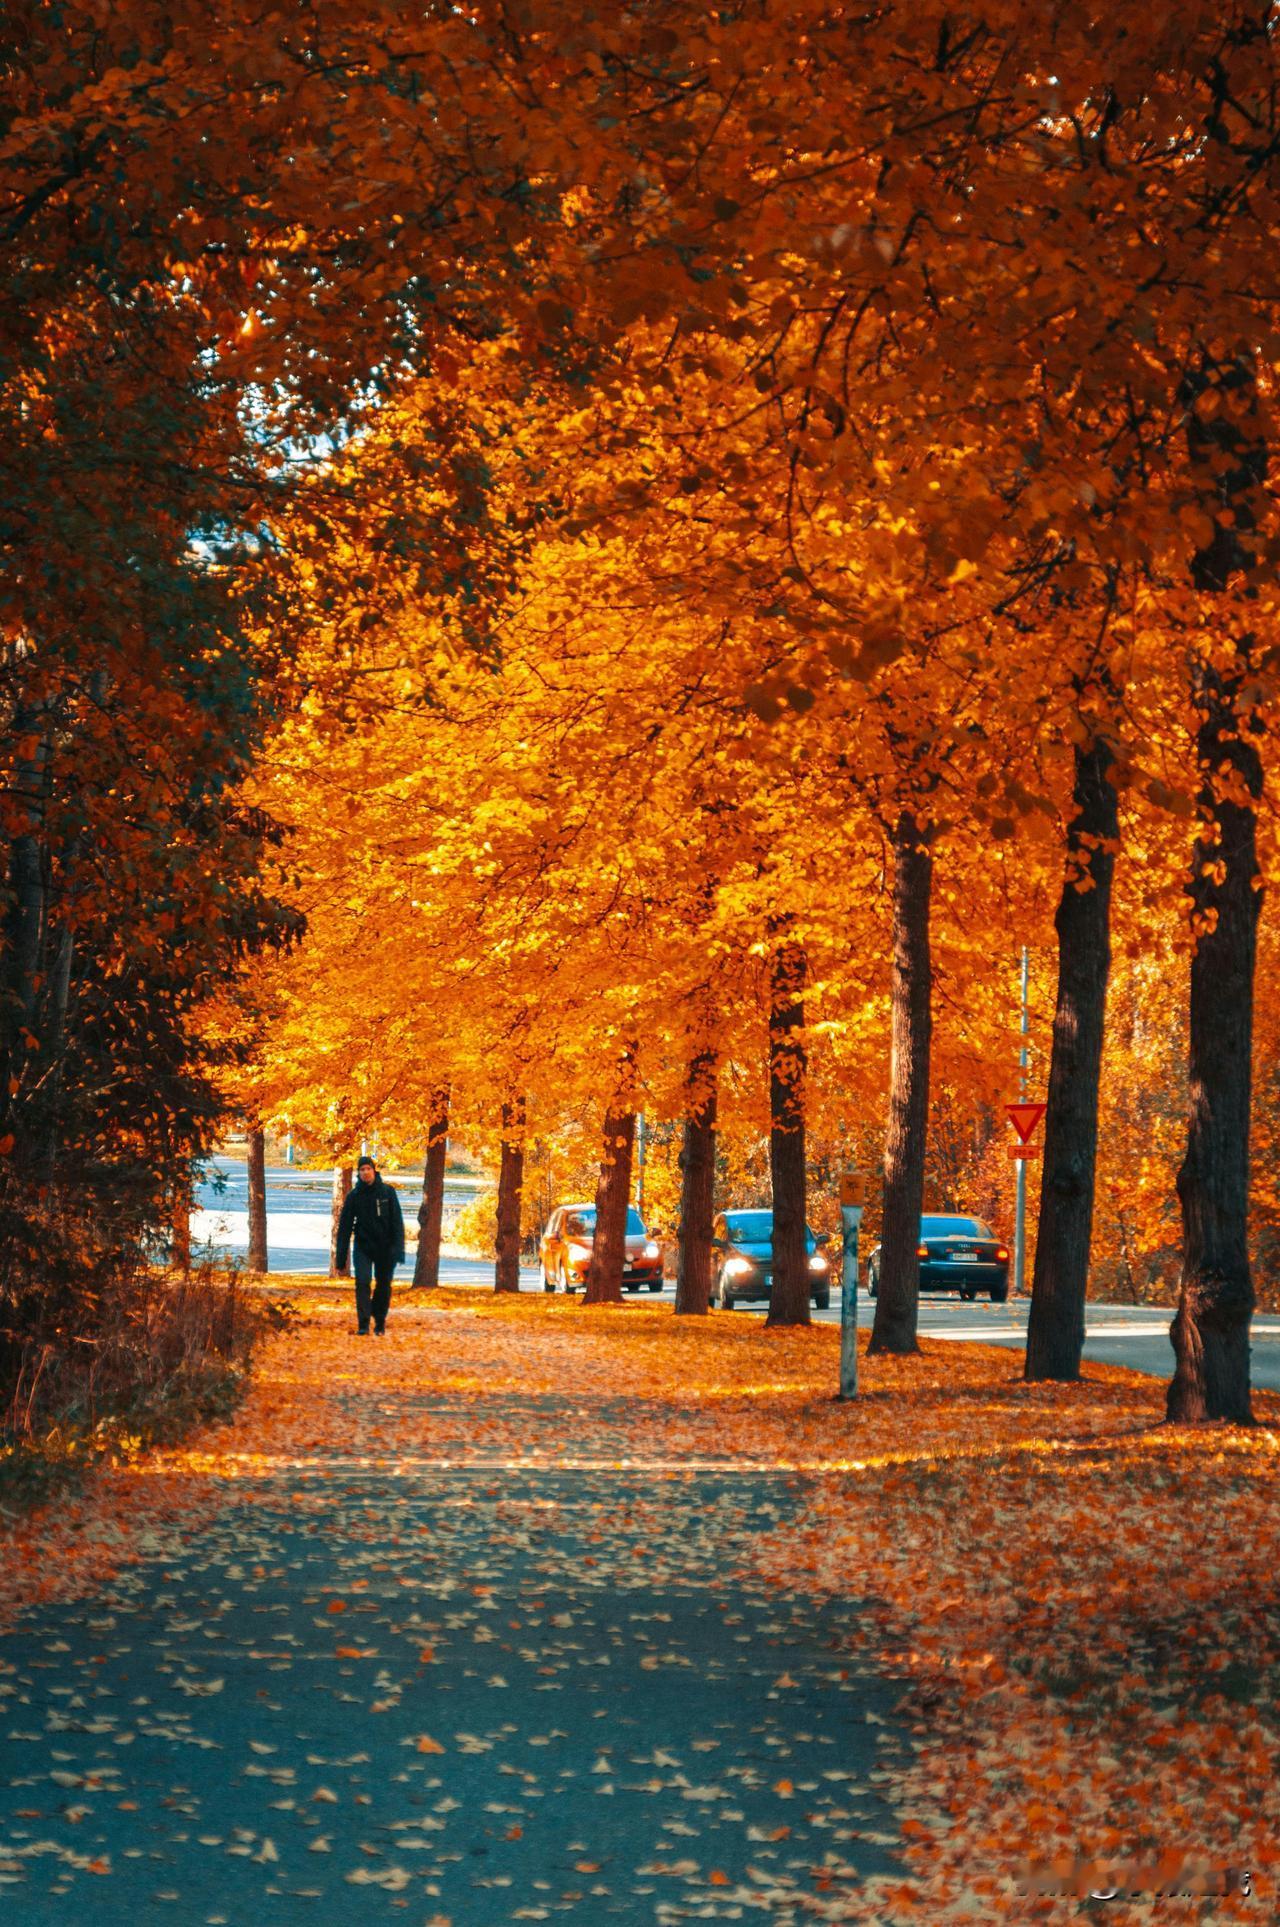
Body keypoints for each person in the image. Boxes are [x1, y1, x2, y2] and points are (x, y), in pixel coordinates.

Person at [335, 1155, 405, 1336]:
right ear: (358, 1173)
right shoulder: (354, 1196)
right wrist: (340, 1258)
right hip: (363, 1246)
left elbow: (397, 1222)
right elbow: (345, 1227)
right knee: (362, 1282)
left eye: (368, 1169)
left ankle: (380, 1321)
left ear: (374, 1171)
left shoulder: (387, 1192)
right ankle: (363, 1323)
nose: (365, 1172)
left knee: (384, 1284)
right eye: (362, 1169)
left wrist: (398, 1250)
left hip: (385, 1247)